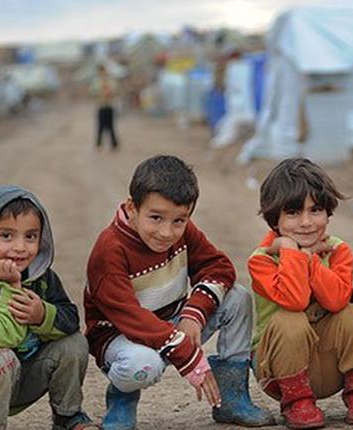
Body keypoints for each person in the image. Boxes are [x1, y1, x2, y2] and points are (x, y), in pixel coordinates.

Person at [84, 155, 274, 430]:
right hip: (121, 336)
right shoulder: (110, 249)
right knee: (143, 365)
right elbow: (130, 316)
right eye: (156, 217)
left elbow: (219, 268)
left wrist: (194, 314)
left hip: (170, 324)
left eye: (179, 220)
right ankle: (122, 399)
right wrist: (186, 352)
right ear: (132, 207)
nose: (166, 232)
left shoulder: (182, 231)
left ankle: (232, 397)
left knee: (237, 297)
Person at [0, 185, 97, 430]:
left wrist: (42, 315)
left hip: (26, 372)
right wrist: (10, 287)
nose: (20, 247)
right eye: (6, 235)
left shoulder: (41, 276)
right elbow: (2, 338)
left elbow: (70, 319)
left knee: (74, 343)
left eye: (31, 236)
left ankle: (68, 416)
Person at [248, 158, 353, 429]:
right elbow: (294, 301)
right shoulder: (260, 260)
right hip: (278, 374)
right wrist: (292, 254)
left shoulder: (338, 250)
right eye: (293, 213)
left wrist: (309, 260)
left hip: (329, 366)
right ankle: (297, 404)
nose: (306, 222)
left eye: (316, 210)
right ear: (275, 220)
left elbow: (336, 300)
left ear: (328, 213)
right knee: (290, 320)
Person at [91, 63, 119, 150]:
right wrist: (100, 91)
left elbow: (116, 91)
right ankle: (99, 144)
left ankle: (114, 144)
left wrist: (110, 92)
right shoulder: (96, 82)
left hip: (109, 105)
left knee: (111, 126)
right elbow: (92, 92)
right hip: (101, 106)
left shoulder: (111, 81)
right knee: (100, 126)